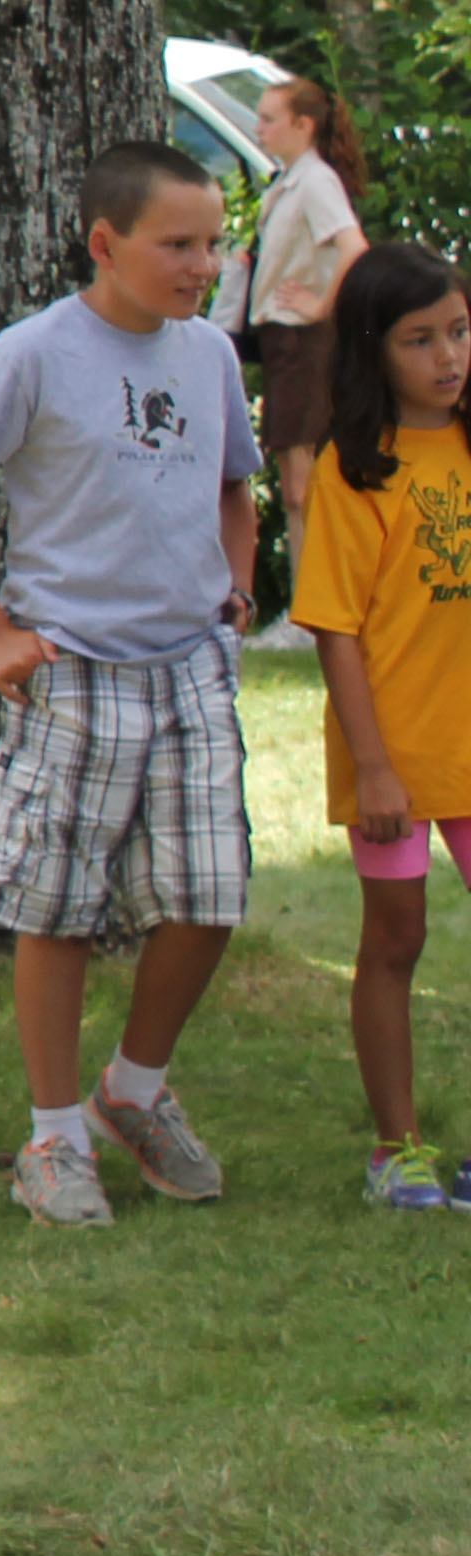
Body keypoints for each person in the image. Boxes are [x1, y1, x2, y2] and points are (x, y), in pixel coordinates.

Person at [0, 137, 263, 1228]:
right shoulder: (36, 353)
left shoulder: (210, 357)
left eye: (213, 242)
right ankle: (53, 1136)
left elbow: (236, 487)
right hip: (75, 669)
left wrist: (237, 586)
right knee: (56, 907)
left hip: (189, 663)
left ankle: (134, 1094)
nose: (202, 264)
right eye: (178, 244)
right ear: (104, 244)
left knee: (210, 896)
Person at [300, 240, 471, 1208]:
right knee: (395, 941)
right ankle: (395, 1150)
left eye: (459, 331)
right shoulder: (355, 470)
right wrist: (375, 767)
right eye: (421, 340)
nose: (449, 357)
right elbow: (336, 628)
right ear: (374, 350)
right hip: (394, 758)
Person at [237, 78, 372, 496]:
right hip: (282, 341)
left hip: (303, 339)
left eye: (269, 119)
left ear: (303, 125)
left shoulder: (315, 180)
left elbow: (354, 247)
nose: (259, 128)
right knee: (293, 477)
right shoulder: (289, 179)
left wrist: (319, 307)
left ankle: (312, 563)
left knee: (302, 481)